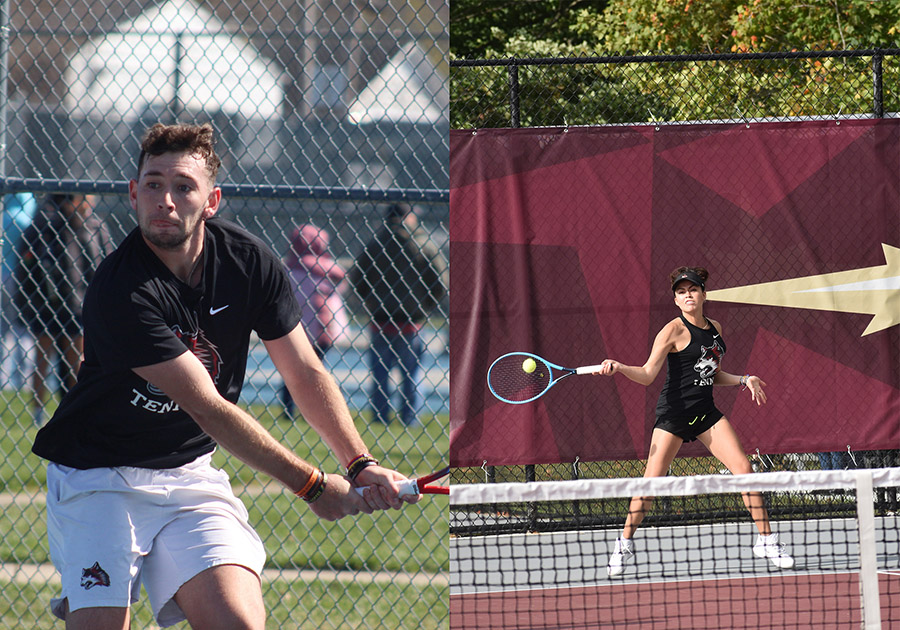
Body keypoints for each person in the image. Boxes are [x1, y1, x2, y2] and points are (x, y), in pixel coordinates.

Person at [31, 123, 415, 630]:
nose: (165, 200)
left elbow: (303, 370)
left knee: (238, 623)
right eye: (152, 184)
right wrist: (315, 487)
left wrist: (359, 461)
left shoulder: (249, 261)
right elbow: (207, 407)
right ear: (132, 194)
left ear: (211, 200)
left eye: (183, 186)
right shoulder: (119, 289)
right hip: (99, 480)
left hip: (189, 476)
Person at [594, 266, 794, 576]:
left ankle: (766, 541)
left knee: (745, 471)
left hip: (706, 413)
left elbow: (709, 375)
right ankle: (623, 544)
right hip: (673, 415)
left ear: (703, 294)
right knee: (650, 485)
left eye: (693, 289)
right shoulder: (671, 330)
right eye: (681, 291)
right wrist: (619, 367)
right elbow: (648, 375)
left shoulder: (715, 328)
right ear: (675, 299)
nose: (688, 295)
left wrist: (744, 379)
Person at [15, 193, 114, 425]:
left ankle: (75, 410)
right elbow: (26, 268)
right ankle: (37, 414)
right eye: (85, 198)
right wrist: (30, 304)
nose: (90, 203)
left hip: (81, 307)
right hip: (46, 308)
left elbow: (106, 260)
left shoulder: (94, 226)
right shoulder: (43, 226)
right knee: (42, 359)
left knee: (77, 362)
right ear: (71, 200)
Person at [350, 203, 446, 427]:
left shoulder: (376, 244)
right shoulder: (423, 243)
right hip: (411, 321)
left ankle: (380, 417)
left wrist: (372, 301)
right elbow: (439, 283)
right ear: (408, 217)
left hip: (380, 319)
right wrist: (424, 306)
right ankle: (409, 419)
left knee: (380, 376)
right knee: (411, 375)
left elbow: (359, 279)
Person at [280, 223, 349, 418]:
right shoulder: (329, 270)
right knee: (317, 371)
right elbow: (341, 284)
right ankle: (315, 410)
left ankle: (289, 410)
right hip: (321, 329)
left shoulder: (287, 269)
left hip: (293, 329)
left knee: (291, 370)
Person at [1, 192, 38, 391]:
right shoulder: (26, 221)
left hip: (3, 274)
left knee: (4, 327)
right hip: (21, 276)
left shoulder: (5, 218)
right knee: (22, 327)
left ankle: (3, 374)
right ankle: (23, 375)